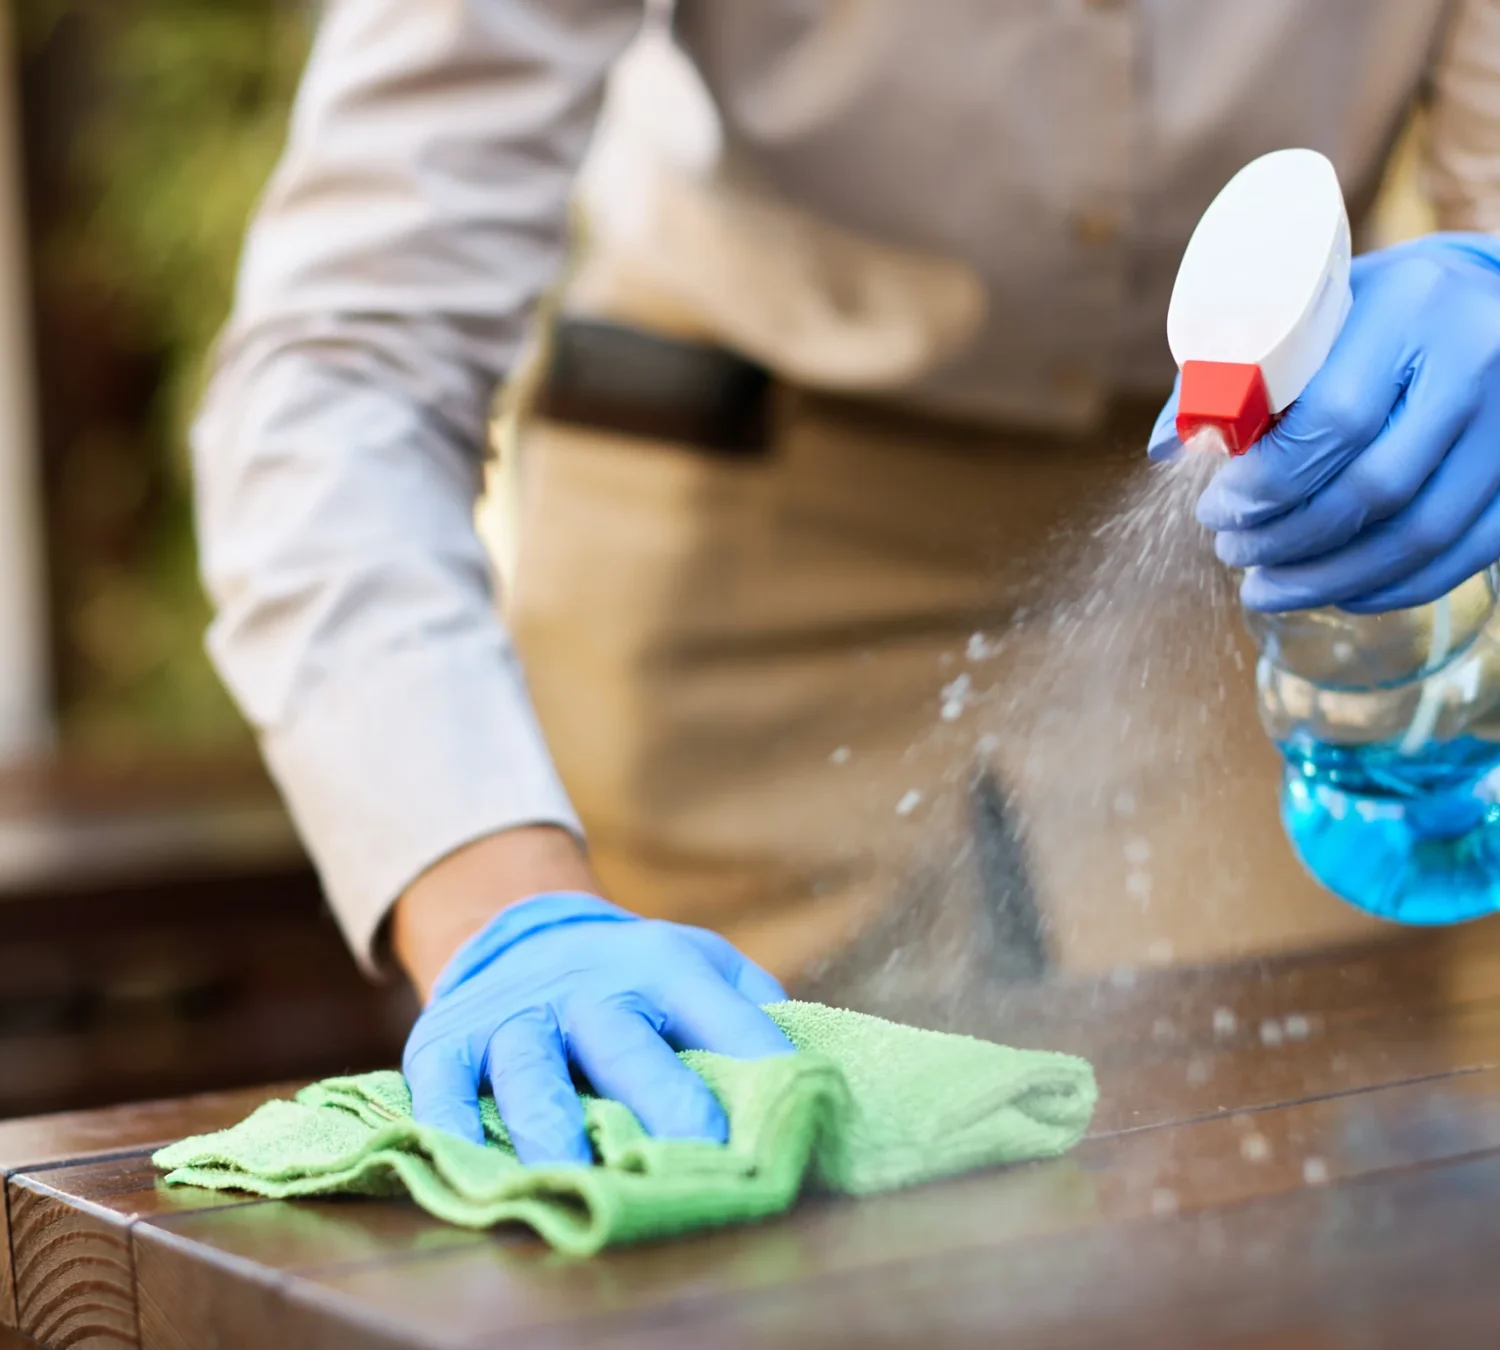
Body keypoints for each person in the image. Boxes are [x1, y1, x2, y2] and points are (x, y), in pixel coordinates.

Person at [194, 0, 1500, 1163]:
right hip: (736, 535)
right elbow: (344, 369)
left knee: (1285, 1170)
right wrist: (498, 907)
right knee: (708, 1191)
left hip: (1235, 531)